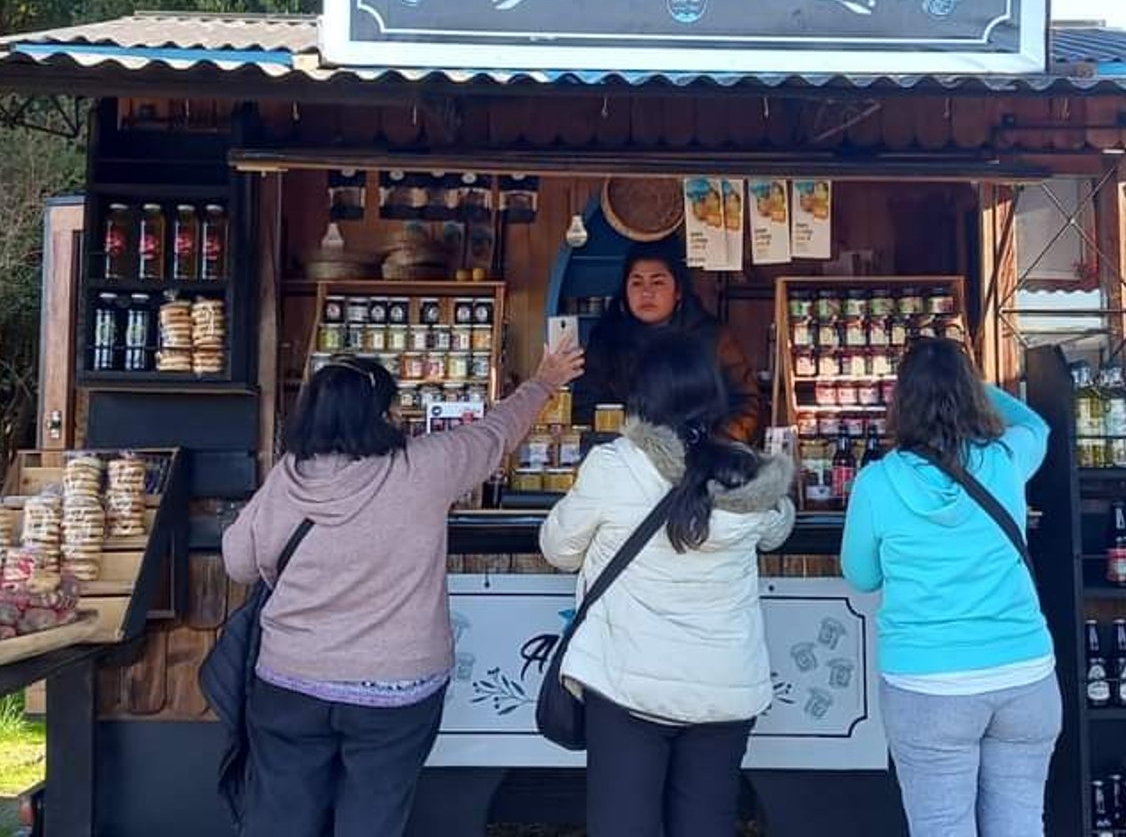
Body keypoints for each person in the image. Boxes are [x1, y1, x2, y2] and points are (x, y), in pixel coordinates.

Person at [222, 339, 584, 837]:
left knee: (281, 819)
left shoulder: (288, 477)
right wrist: (543, 381)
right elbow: (496, 432)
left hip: (291, 680)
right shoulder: (425, 466)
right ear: (381, 413)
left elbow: (238, 563)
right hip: (395, 691)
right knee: (373, 818)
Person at [539, 333, 795, 837]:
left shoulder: (615, 467)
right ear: (715, 395)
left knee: (623, 826)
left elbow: (558, 549)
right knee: (706, 823)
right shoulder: (746, 474)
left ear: (641, 397)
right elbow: (777, 527)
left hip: (627, 684)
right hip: (724, 687)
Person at [839, 338, 1058, 837]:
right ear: (971, 395)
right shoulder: (1004, 460)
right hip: (1024, 673)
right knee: (1020, 823)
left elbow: (861, 576)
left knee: (941, 826)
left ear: (901, 401)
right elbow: (1037, 426)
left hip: (928, 684)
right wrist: (972, 383)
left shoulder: (877, 482)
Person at [573, 241, 764, 442]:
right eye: (637, 283)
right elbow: (586, 404)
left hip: (699, 450)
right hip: (627, 451)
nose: (646, 293)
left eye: (657, 282)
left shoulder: (712, 337)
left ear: (678, 291)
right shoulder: (607, 339)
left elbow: (746, 402)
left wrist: (715, 444)